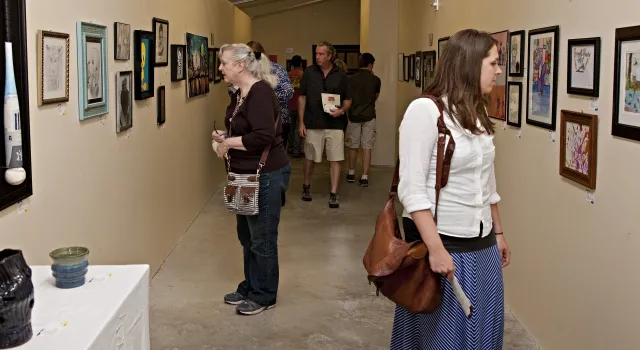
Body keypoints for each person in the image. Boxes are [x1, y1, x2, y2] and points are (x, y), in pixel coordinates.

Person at [391, 29, 512, 349]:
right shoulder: (425, 111)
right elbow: (412, 189)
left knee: (482, 332)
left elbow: (488, 179)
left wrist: (498, 232)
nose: (499, 71)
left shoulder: (478, 111)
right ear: (469, 63)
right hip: (446, 246)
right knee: (443, 338)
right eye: (494, 63)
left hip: (483, 247)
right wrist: (435, 249)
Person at [212, 43, 291, 316]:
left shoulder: (260, 93)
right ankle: (251, 285)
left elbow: (262, 137)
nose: (220, 68)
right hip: (243, 175)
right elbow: (244, 128)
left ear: (240, 65)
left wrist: (229, 143)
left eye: (223, 63)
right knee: (247, 236)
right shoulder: (240, 94)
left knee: (263, 238)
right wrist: (226, 136)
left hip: (265, 174)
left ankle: (265, 295)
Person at [298, 41, 351, 208]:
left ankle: (333, 193)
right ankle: (306, 186)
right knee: (310, 157)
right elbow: (302, 97)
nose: (318, 57)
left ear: (330, 56)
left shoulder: (341, 75)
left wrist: (341, 110)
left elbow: (348, 99)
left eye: (321, 54)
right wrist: (301, 122)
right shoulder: (309, 73)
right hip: (313, 122)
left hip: (335, 123)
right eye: (317, 54)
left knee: (336, 159)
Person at [247, 41, 294, 152]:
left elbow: (288, 92)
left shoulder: (276, 69)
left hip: (278, 121)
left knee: (275, 156)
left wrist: (264, 97)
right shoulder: (244, 71)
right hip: (251, 122)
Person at [345, 53, 380, 187]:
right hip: (369, 115)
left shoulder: (350, 79)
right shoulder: (376, 80)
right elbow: (376, 96)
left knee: (353, 145)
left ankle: (351, 172)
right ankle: (364, 176)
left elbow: (348, 97)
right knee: (367, 147)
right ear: (370, 65)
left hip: (353, 115)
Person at [287, 55, 305, 157]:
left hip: (290, 103)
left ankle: (290, 147)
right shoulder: (303, 75)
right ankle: (297, 150)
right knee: (299, 127)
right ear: (301, 63)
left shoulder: (288, 74)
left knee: (291, 127)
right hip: (300, 105)